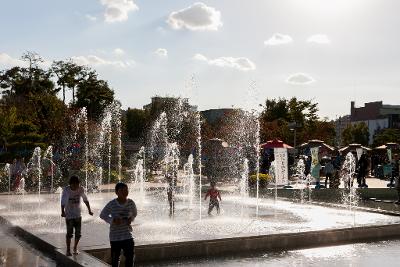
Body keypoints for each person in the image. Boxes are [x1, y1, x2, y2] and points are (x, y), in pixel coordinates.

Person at [100, 182, 137, 267]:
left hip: (127, 235)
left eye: (126, 190)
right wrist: (112, 220)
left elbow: (134, 213)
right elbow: (102, 215)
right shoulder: (112, 204)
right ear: (116, 192)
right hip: (115, 236)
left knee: (130, 257)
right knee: (115, 259)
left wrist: (130, 219)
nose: (125, 192)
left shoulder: (131, 202)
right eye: (122, 190)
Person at [61, 176, 93, 256]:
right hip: (69, 215)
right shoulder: (66, 190)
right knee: (69, 234)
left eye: (77, 184)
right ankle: (68, 250)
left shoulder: (81, 189)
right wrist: (62, 212)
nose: (76, 186)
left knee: (78, 234)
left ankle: (75, 247)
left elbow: (85, 199)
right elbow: (63, 201)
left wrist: (89, 210)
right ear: (70, 184)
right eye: (74, 185)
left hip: (78, 214)